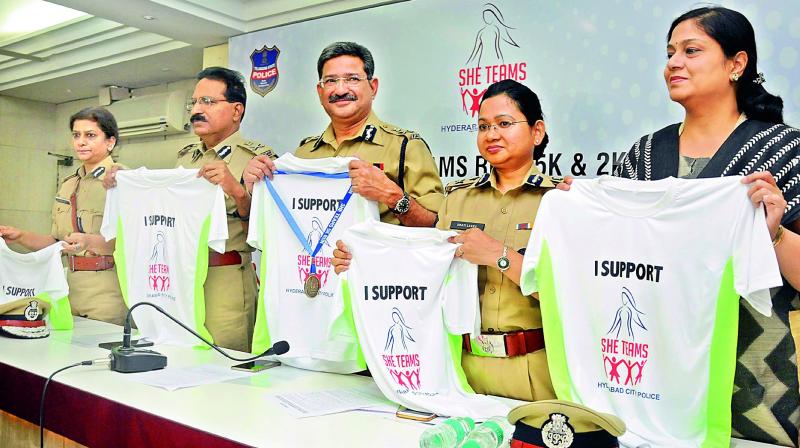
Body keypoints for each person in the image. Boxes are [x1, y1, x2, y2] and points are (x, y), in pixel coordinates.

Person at [613, 7, 800, 445]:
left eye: (691, 51)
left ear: (737, 63)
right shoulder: (643, 157)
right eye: (670, 52)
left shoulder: (785, 155)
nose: (673, 63)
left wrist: (774, 233)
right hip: (657, 380)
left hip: (755, 387)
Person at [332, 79, 558, 402]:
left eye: (504, 124)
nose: (492, 134)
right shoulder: (457, 199)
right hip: (459, 372)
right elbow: (423, 275)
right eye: (483, 126)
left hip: (534, 374)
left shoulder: (559, 203)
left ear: (537, 131)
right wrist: (361, 262)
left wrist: (499, 255)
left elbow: (568, 296)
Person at [106, 67, 277, 352]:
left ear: (236, 111)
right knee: (179, 356)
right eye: (194, 103)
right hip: (180, 278)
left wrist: (235, 189)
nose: (197, 110)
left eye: (208, 102)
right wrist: (124, 180)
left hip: (224, 279)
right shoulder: (185, 156)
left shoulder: (258, 158)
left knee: (225, 362)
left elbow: (268, 229)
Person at [243, 41, 443, 226]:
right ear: (320, 92)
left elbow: (436, 224)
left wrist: (392, 197)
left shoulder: (404, 147)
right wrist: (258, 189)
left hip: (379, 264)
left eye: (352, 79)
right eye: (330, 81)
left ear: (373, 88)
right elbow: (285, 222)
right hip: (315, 263)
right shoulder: (305, 152)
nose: (340, 90)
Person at [0, 107, 128, 325]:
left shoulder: (121, 179)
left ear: (110, 142)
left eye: (90, 135)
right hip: (68, 289)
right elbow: (57, 242)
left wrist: (88, 241)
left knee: (100, 354)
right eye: (76, 135)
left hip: (108, 291)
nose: (81, 142)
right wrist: (20, 236)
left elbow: (134, 240)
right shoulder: (69, 184)